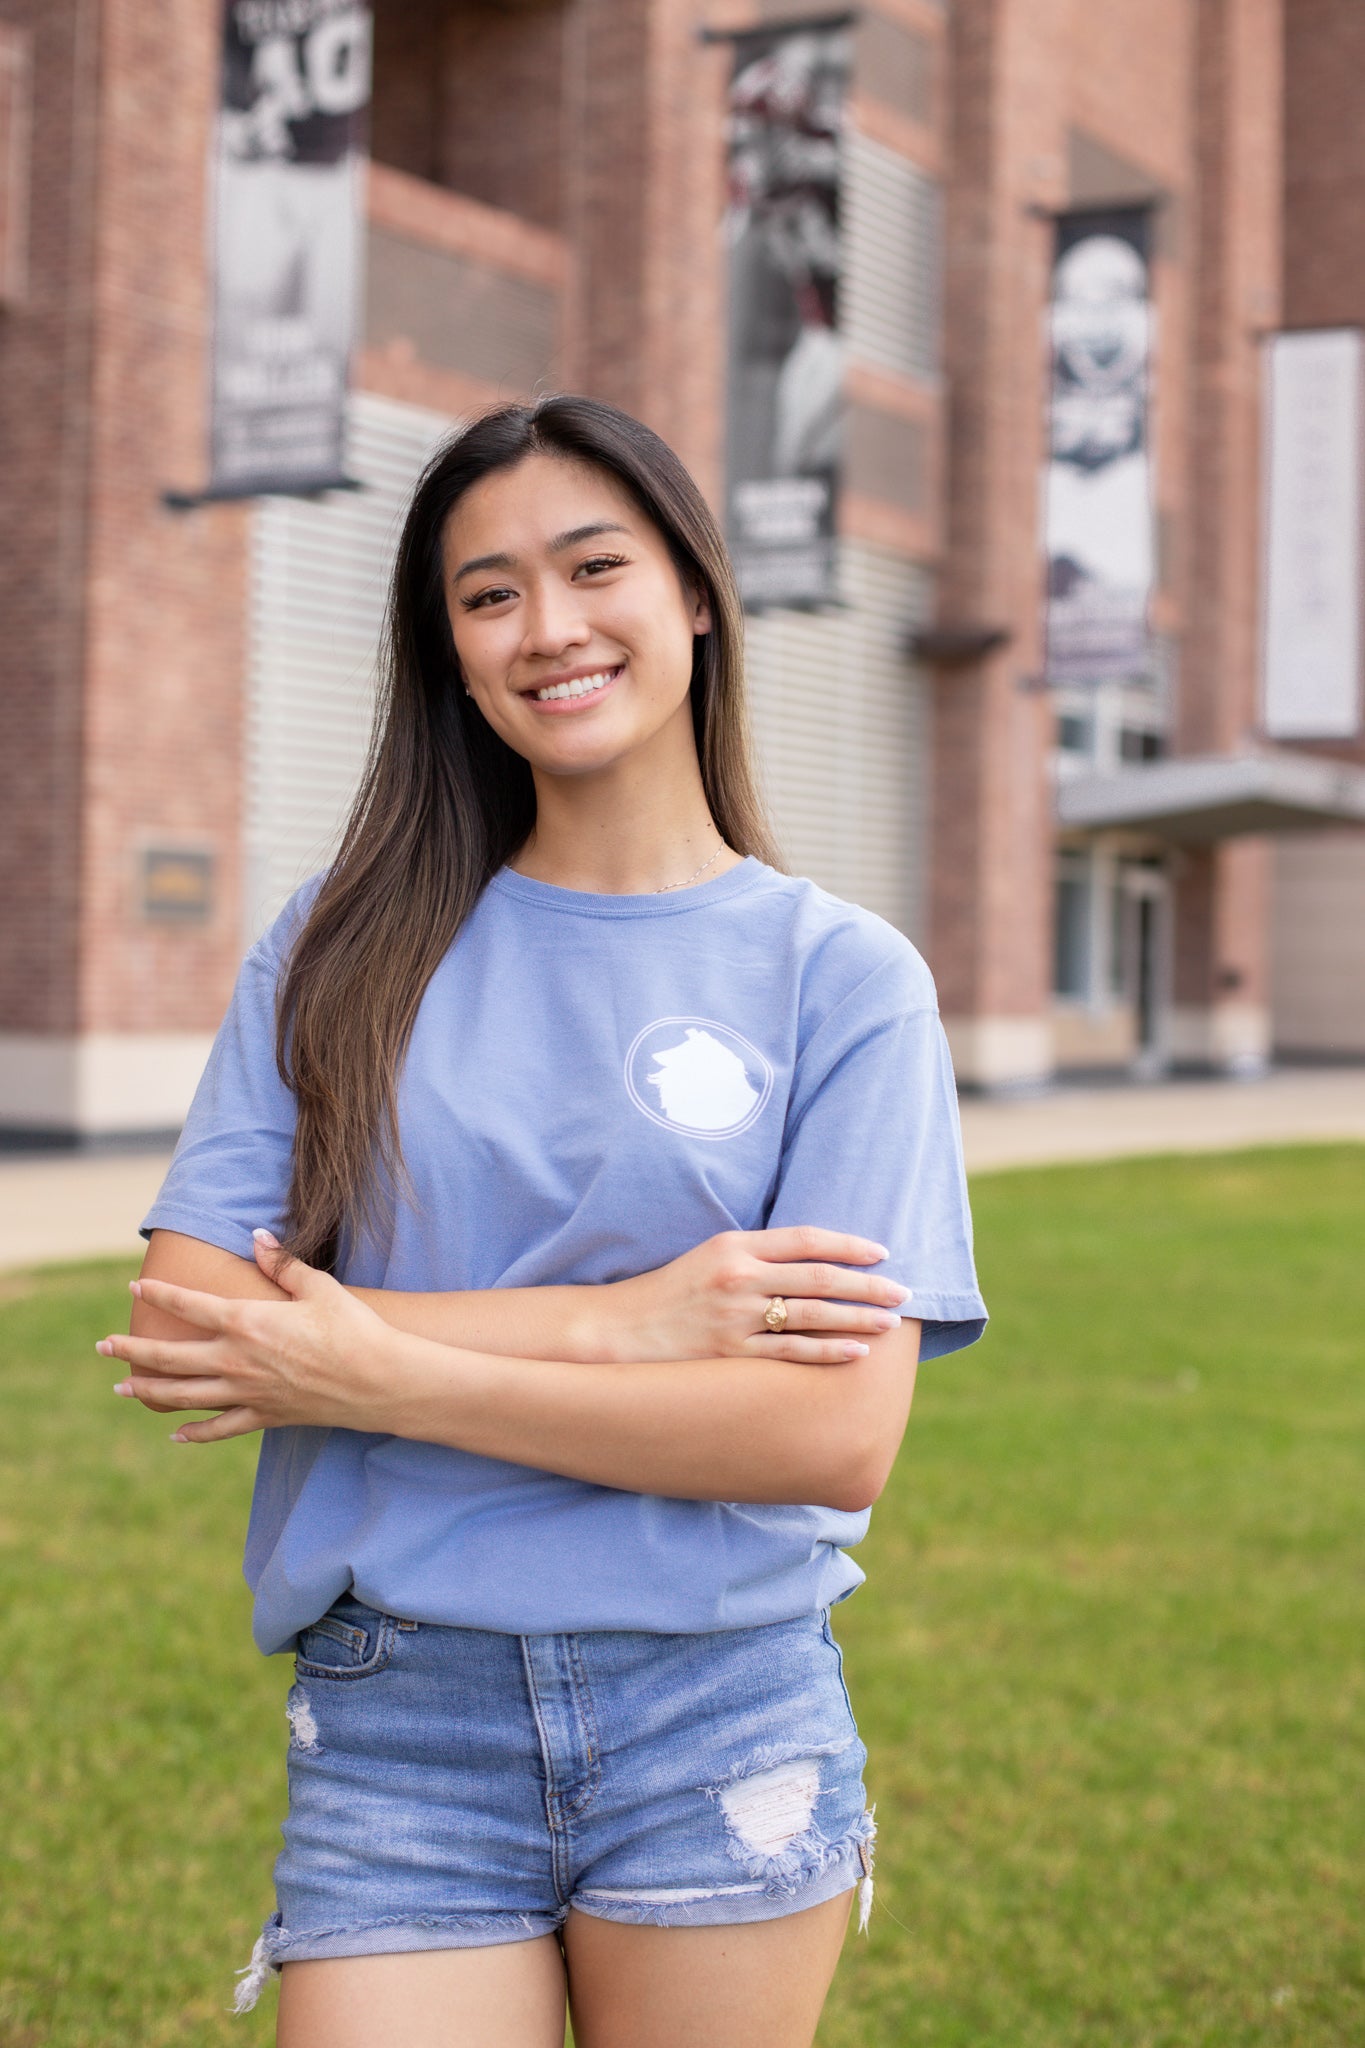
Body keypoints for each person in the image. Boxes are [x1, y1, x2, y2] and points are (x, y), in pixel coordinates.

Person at [101, 396, 986, 2048]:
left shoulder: (839, 981)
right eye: (488, 593)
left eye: (594, 568)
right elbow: (188, 1329)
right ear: (444, 646)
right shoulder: (342, 945)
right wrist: (627, 1322)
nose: (548, 628)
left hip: (716, 1707)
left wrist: (369, 1367)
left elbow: (827, 1435)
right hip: (400, 1714)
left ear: (696, 596)